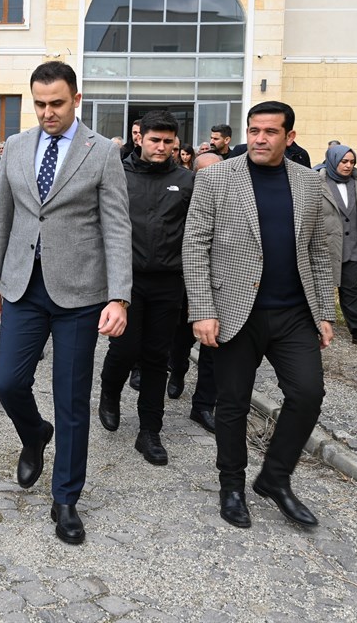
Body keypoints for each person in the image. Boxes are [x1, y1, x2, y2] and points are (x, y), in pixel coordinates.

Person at [0, 61, 131, 545]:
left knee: (70, 400)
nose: (48, 112)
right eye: (40, 104)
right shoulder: (18, 147)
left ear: (76, 100)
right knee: (7, 382)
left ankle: (66, 498)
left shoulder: (102, 152)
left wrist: (118, 296)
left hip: (81, 294)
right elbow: (0, 218)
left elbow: (116, 227)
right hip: (23, 287)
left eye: (57, 104)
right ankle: (33, 435)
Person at [183, 101, 333, 530]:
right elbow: (195, 246)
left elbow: (318, 251)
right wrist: (203, 311)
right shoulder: (216, 178)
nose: (260, 139)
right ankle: (231, 484)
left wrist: (324, 312)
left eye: (270, 131)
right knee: (231, 404)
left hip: (293, 314)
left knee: (307, 394)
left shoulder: (309, 182)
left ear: (290, 136)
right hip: (235, 311)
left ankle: (275, 477)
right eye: (254, 130)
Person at [98, 111, 194, 465]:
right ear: (138, 138)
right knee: (124, 350)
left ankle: (149, 430)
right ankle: (109, 392)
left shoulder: (186, 181)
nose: (162, 147)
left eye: (169, 141)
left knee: (157, 358)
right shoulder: (117, 176)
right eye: (155, 140)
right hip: (127, 282)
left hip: (169, 283)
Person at [168, 149, 223, 434]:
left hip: (220, 287)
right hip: (184, 283)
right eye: (206, 174)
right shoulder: (181, 200)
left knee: (214, 347)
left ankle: (203, 405)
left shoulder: (233, 200)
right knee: (180, 341)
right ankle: (177, 370)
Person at [316, 145, 357, 344]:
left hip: (352, 246)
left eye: (352, 162)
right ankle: (313, 328)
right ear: (333, 161)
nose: (348, 166)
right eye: (344, 161)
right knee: (321, 289)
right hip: (326, 246)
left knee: (351, 290)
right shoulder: (318, 181)